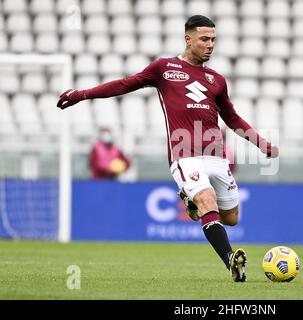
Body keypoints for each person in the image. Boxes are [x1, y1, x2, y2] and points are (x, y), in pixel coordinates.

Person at [57, 15, 279, 282]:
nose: (210, 45)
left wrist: (260, 142)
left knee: (231, 218)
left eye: (213, 40)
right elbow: (125, 84)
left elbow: (232, 118)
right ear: (188, 39)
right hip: (184, 155)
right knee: (207, 200)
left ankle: (191, 203)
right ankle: (231, 260)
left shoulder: (216, 80)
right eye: (204, 39)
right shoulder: (164, 68)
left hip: (216, 156)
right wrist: (82, 94)